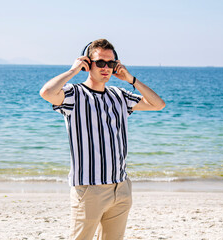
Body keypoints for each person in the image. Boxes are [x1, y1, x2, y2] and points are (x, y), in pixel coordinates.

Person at [40, 39, 165, 240]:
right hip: (89, 190)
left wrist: (131, 80)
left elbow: (158, 104)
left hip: (121, 187)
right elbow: (46, 92)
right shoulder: (75, 94)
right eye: (100, 62)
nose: (106, 68)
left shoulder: (119, 96)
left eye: (111, 63)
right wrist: (73, 70)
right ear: (88, 64)